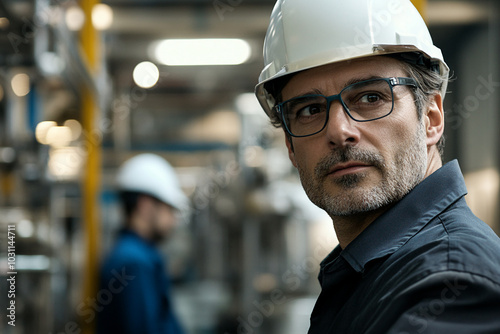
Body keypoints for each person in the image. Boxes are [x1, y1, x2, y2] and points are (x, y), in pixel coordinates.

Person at [255, 0, 500, 333]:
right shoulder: (375, 271)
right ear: (290, 147)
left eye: (371, 97)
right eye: (309, 110)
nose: (339, 131)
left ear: (431, 119)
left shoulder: (451, 286)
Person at [96, 153, 187, 334]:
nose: (173, 221)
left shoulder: (135, 255)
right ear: (145, 205)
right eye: (169, 209)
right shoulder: (134, 263)